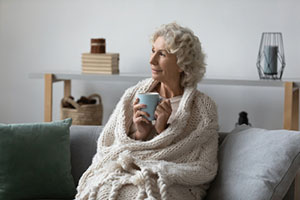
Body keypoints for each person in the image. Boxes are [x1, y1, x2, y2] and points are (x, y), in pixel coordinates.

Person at [75, 22, 219, 200]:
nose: (152, 60)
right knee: (105, 189)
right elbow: (107, 145)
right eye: (153, 51)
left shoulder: (204, 108)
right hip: (126, 171)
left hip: (170, 181)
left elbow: (205, 167)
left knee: (139, 194)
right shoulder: (134, 94)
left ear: (182, 64)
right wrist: (139, 134)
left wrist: (162, 130)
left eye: (162, 54)